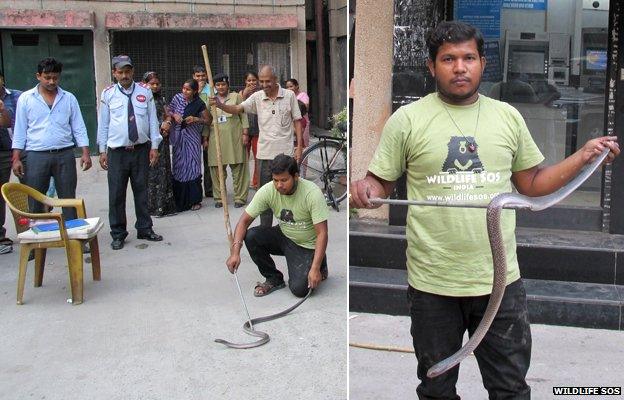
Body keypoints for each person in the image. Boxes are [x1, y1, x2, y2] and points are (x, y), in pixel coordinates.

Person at [349, 21, 619, 399]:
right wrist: (366, 189)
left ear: (482, 63)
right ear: (431, 66)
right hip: (432, 284)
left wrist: (582, 156)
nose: (459, 67)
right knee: (436, 388)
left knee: (509, 388)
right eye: (448, 59)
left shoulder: (507, 117)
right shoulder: (407, 120)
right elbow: (380, 183)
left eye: (468, 58)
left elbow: (532, 184)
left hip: (499, 283)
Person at [209, 65, 303, 227]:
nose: (264, 84)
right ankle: (265, 229)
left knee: (290, 194)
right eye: (262, 81)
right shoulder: (257, 97)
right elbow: (238, 108)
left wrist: (299, 146)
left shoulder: (289, 96)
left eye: (268, 81)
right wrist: (220, 105)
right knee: (264, 196)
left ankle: (290, 228)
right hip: (264, 156)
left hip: (286, 155)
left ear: (275, 80)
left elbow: (297, 121)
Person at [226, 154, 328, 298]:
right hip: (284, 234)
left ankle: (319, 261)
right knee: (251, 236)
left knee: (300, 289)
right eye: (275, 180)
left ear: (296, 176)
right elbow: (244, 221)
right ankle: (274, 278)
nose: (279, 185)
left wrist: (315, 268)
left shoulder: (312, 194)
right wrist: (235, 252)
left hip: (306, 244)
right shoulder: (268, 190)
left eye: (284, 180)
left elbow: (322, 233)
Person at [11, 57, 91, 222]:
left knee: (68, 198)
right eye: (47, 78)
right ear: (38, 76)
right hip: (36, 156)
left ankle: (73, 239)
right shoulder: (26, 99)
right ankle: (37, 241)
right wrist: (16, 158)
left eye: (55, 77)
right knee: (35, 197)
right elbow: (20, 130)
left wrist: (85, 152)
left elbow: (79, 127)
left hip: (65, 154)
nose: (51, 81)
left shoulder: (69, 98)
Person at [97, 55, 163, 250]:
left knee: (142, 191)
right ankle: (118, 233)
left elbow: (152, 121)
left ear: (132, 71)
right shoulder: (108, 94)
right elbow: (104, 124)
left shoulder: (145, 92)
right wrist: (102, 150)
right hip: (117, 152)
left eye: (127, 71)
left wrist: (154, 147)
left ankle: (144, 227)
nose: (124, 75)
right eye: (120, 72)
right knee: (116, 194)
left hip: (141, 150)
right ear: (114, 73)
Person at [165, 79, 211, 212]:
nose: (184, 91)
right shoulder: (177, 98)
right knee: (178, 166)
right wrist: (175, 115)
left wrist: (196, 119)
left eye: (188, 89)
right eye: (183, 88)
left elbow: (208, 120)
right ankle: (179, 199)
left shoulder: (199, 103)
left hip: (192, 139)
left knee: (192, 166)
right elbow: (168, 110)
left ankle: (194, 200)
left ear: (195, 91)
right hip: (179, 138)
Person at [208, 73, 250, 208]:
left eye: (223, 84)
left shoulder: (236, 97)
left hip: (235, 138)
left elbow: (243, 115)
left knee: (239, 167)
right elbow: (207, 118)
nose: (220, 87)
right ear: (214, 86)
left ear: (228, 85)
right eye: (218, 85)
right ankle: (219, 198)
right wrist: (204, 138)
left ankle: (240, 197)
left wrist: (245, 133)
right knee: (217, 169)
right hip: (216, 138)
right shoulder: (211, 100)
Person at [143, 71, 176, 217]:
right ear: (145, 84)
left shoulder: (161, 99)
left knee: (164, 172)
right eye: (152, 84)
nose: (155, 86)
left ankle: (164, 206)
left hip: (163, 140)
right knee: (152, 174)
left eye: (157, 84)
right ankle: (153, 207)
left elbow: (167, 113)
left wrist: (168, 122)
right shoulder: (142, 100)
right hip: (150, 142)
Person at [0, 69, 22, 254]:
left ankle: (35, 229)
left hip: (17, 149)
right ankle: (1, 235)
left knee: (31, 190)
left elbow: (9, 123)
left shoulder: (18, 97)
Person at [193, 65, 213, 198]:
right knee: (194, 159)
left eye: (203, 75)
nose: (201, 78)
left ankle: (209, 189)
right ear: (194, 76)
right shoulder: (190, 88)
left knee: (208, 159)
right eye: (198, 76)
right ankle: (195, 189)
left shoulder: (211, 89)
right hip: (193, 129)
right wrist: (197, 91)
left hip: (207, 127)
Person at [239, 71, 260, 190]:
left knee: (258, 157)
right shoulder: (241, 93)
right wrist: (245, 94)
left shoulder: (261, 93)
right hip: (244, 131)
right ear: (245, 81)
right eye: (249, 80)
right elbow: (238, 106)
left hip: (258, 130)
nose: (251, 82)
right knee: (243, 157)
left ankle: (256, 182)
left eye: (253, 80)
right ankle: (243, 183)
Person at [286, 78, 310, 147]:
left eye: (291, 86)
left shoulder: (303, 95)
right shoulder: (288, 97)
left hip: (302, 121)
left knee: (302, 143)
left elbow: (305, 108)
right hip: (291, 123)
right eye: (287, 87)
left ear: (297, 86)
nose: (289, 89)